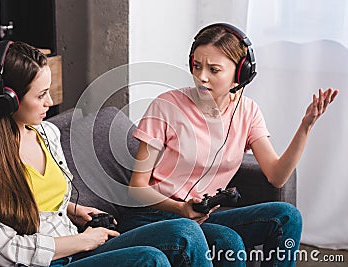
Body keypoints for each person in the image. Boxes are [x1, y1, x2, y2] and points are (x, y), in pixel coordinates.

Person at [0, 41, 213, 267]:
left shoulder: (47, 133)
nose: (50, 102)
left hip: (76, 251)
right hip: (47, 260)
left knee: (185, 231)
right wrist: (83, 240)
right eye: (41, 95)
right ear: (8, 99)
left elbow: (37, 201)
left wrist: (72, 209)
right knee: (149, 259)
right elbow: (3, 252)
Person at [119, 23, 339, 266]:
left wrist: (305, 127)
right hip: (154, 217)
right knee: (228, 240)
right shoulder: (166, 106)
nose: (202, 77)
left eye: (214, 70)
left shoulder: (247, 111)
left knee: (287, 216)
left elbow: (277, 176)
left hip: (200, 218)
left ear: (240, 73)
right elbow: (136, 188)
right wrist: (180, 208)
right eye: (197, 66)